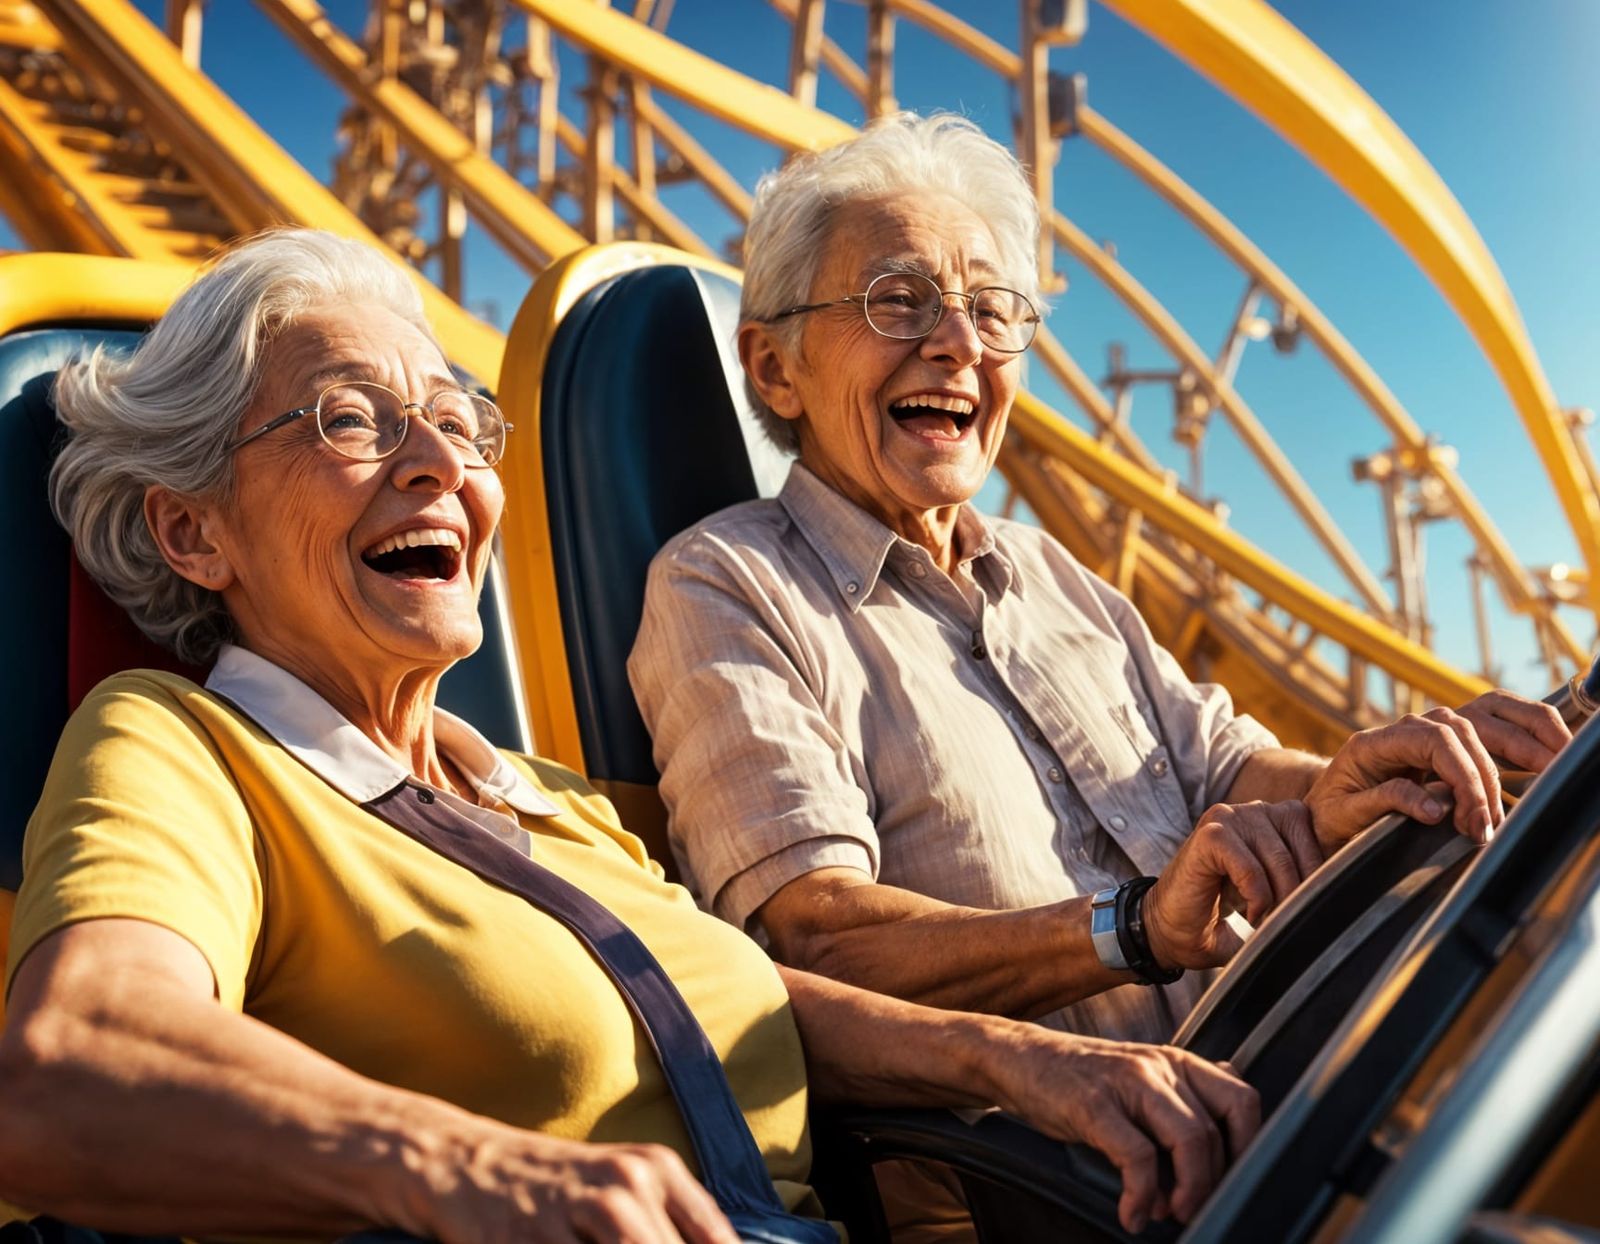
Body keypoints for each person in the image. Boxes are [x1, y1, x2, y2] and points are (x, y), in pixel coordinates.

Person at [0, 229, 1259, 1243]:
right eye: (349, 418)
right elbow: (71, 1062)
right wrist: (467, 1168)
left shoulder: (539, 793)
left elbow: (735, 1004)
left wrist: (1024, 1062)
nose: (438, 461)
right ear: (193, 531)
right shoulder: (181, 744)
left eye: (456, 421)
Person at [628, 112, 1572, 1045]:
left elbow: (1225, 768)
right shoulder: (726, 587)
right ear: (775, 369)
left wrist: (1356, 786)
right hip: (1067, 1134)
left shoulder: (1051, 574)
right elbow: (815, 940)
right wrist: (1135, 928)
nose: (961, 343)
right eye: (900, 301)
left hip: (1282, 1066)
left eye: (991, 310)